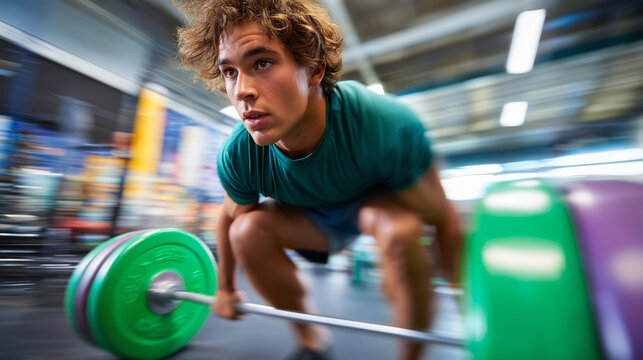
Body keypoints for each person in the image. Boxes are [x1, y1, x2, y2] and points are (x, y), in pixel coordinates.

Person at [176, 1, 463, 359]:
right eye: (231, 71)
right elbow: (230, 215)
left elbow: (443, 219)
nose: (242, 90)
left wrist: (466, 300)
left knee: (402, 232)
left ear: (314, 68)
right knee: (246, 232)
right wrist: (225, 289)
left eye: (261, 63)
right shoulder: (240, 152)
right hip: (308, 221)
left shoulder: (382, 124)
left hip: (371, 207)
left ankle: (411, 355)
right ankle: (310, 341)